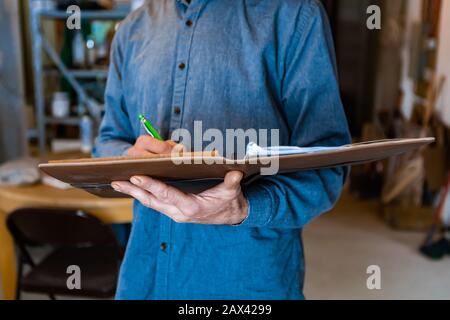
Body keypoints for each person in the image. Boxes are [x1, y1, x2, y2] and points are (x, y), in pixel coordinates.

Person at [93, 0, 351, 299]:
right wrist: (129, 157)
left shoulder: (294, 16)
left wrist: (244, 206)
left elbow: (327, 167)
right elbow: (108, 141)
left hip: (246, 283)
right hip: (144, 278)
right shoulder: (131, 29)